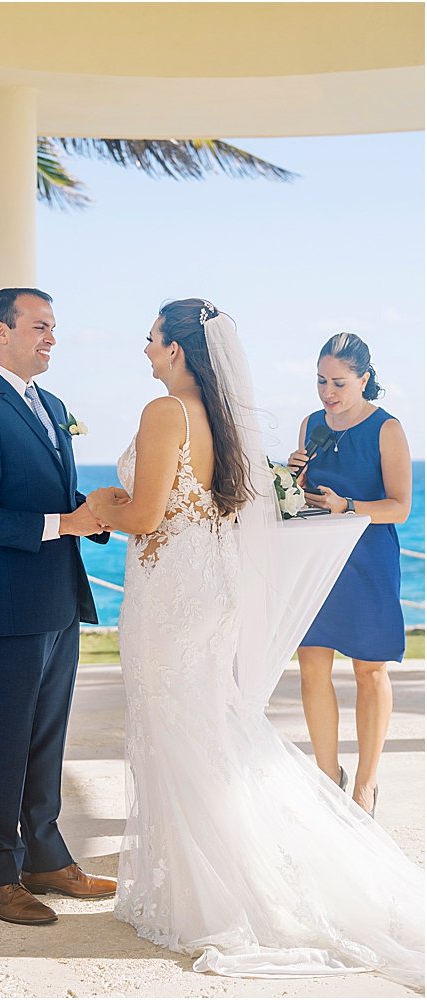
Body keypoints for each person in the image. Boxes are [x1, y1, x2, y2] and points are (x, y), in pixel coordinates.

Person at [87, 299, 423, 986]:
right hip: (209, 586)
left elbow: (148, 514)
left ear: (178, 350)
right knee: (207, 726)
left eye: (151, 340)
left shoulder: (165, 413)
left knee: (176, 726)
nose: (146, 351)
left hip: (171, 590)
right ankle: (204, 877)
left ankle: (212, 890)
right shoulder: (224, 419)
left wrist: (100, 505)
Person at [0, 287, 115, 928]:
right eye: (39, 326)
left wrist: (97, 515)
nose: (50, 337)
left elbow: (54, 494)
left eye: (53, 327)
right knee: (5, 739)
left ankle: (45, 857)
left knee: (48, 737)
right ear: (0, 332)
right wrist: (63, 521)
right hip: (10, 602)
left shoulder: (53, 405)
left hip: (61, 598)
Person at [286, 333, 412, 817]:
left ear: (364, 378)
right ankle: (325, 775)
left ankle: (365, 785)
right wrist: (292, 476)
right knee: (312, 664)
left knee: (369, 669)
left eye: (338, 382)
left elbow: (400, 508)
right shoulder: (311, 424)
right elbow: (298, 498)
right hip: (317, 558)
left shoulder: (387, 429)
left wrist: (350, 507)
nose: (327, 392)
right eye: (320, 381)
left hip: (366, 559)